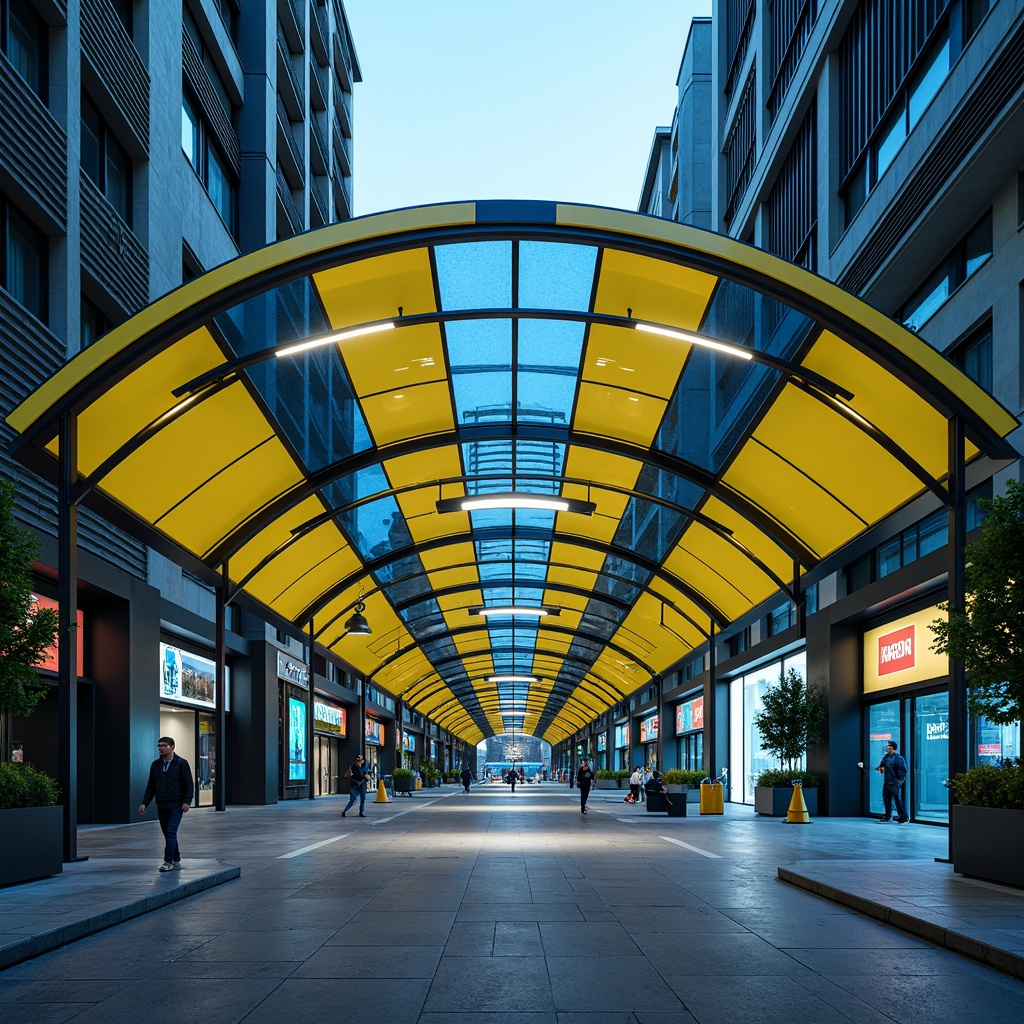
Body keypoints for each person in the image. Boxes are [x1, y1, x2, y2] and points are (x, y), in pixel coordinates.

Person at [138, 736, 194, 872]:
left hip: (176, 804)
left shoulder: (181, 763)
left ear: (172, 747)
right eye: (159, 745)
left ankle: (168, 861)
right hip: (162, 805)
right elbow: (151, 786)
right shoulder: (155, 765)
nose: (161, 748)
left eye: (164, 745)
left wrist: (187, 802)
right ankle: (176, 858)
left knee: (170, 832)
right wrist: (144, 803)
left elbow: (188, 784)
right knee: (167, 833)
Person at [876, 740, 909, 823]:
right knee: (886, 800)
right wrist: (880, 767)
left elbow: (903, 770)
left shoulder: (898, 758)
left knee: (898, 800)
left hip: (894, 783)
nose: (889, 748)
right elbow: (882, 764)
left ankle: (903, 817)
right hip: (887, 782)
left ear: (894, 748)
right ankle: (887, 816)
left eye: (890, 746)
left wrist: (898, 781)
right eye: (888, 746)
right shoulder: (886, 757)